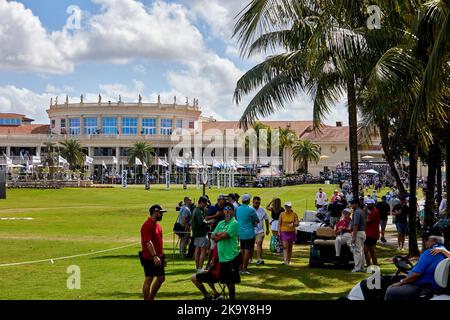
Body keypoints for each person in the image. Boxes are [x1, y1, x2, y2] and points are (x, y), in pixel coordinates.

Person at [385, 231, 447, 300]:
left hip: (421, 285)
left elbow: (416, 275)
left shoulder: (430, 252)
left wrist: (401, 282)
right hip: (433, 285)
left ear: (434, 241)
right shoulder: (445, 251)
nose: (424, 242)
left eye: (426, 240)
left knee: (390, 291)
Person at [211, 204, 241, 300]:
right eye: (225, 209)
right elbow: (212, 236)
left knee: (231, 281)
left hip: (232, 256)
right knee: (226, 281)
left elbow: (226, 235)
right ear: (223, 211)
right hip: (222, 256)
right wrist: (220, 235)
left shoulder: (234, 223)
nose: (227, 211)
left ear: (233, 211)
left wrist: (218, 235)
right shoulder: (220, 223)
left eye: (229, 209)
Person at [140, 204, 167, 300]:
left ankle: (151, 298)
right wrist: (155, 256)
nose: (162, 215)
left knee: (161, 278)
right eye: (161, 213)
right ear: (155, 212)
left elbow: (159, 242)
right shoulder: (147, 225)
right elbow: (148, 242)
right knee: (149, 278)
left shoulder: (157, 225)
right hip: (149, 257)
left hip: (159, 256)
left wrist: (162, 255)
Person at [236, 194, 259, 274]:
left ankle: (239, 267)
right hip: (249, 233)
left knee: (242, 250)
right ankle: (244, 268)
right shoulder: (251, 210)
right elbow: (257, 220)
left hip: (241, 232)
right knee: (247, 251)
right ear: (248, 200)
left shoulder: (238, 209)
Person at [206, 194, 226, 268]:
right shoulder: (213, 208)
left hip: (223, 232)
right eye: (222, 200)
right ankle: (208, 263)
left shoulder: (225, 209)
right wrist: (215, 215)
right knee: (212, 248)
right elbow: (207, 218)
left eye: (224, 200)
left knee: (222, 249)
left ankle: (220, 264)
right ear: (218, 200)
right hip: (214, 231)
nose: (223, 202)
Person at [191, 196, 210, 272]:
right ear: (201, 202)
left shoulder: (195, 209)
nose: (206, 205)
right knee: (203, 251)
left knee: (197, 250)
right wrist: (209, 222)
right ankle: (200, 268)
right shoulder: (199, 211)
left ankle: (197, 267)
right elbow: (201, 222)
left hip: (196, 234)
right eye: (205, 203)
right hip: (201, 233)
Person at [350, 199, 366, 272]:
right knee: (361, 251)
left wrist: (353, 236)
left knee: (357, 251)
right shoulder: (362, 211)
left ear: (356, 204)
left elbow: (356, 225)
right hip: (363, 232)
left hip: (358, 232)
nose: (351, 206)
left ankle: (357, 268)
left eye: (352, 204)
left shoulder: (356, 212)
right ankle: (362, 267)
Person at [252, 196, 270, 265]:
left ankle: (259, 259)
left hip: (260, 231)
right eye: (256, 203)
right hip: (251, 230)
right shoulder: (250, 209)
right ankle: (250, 258)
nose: (257, 204)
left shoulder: (262, 210)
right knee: (251, 245)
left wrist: (267, 229)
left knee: (259, 244)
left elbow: (266, 220)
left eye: (259, 203)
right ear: (253, 202)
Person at [364, 198, 380, 266]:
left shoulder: (374, 212)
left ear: (373, 204)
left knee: (368, 250)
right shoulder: (372, 211)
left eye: (369, 204)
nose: (367, 205)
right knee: (371, 250)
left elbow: (366, 221)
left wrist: (364, 213)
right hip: (370, 233)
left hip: (371, 234)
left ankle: (370, 265)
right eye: (367, 204)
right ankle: (373, 266)